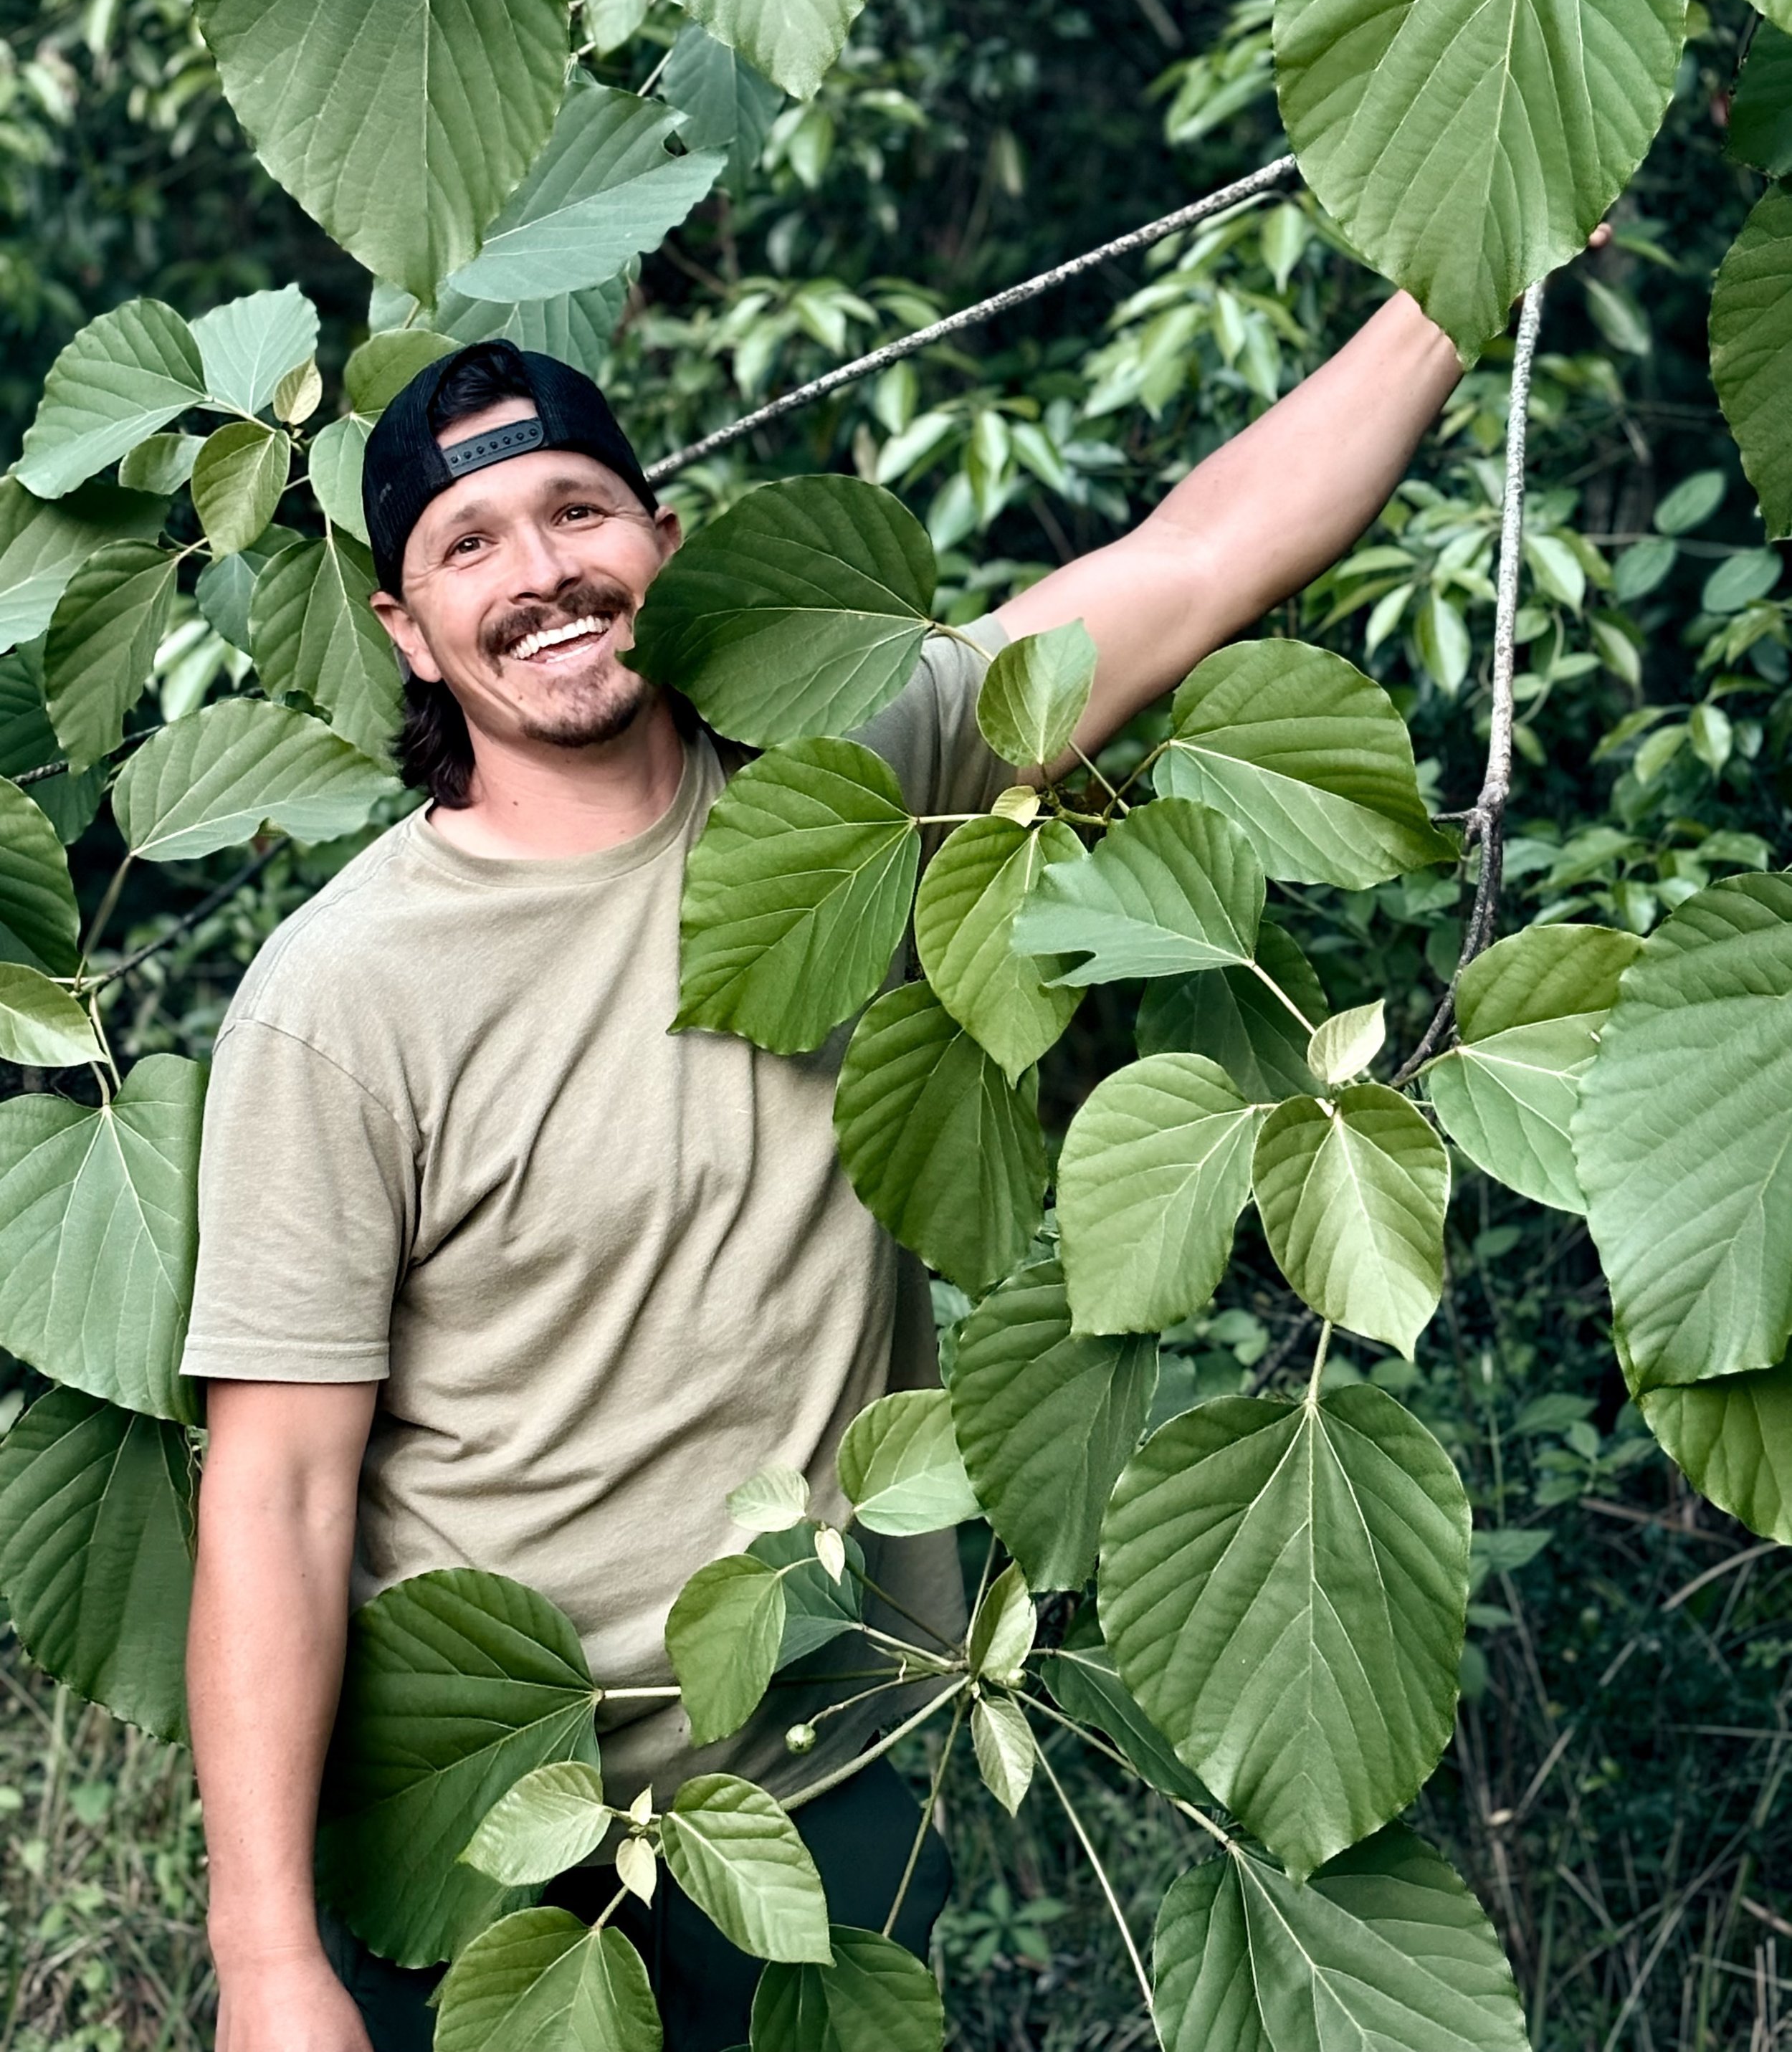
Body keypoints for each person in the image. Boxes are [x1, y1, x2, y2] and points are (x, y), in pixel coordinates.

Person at [183, 297, 1463, 2052]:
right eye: (468, 543)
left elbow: (1195, 555)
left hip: (832, 1767)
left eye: (577, 508)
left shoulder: (859, 784)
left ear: (665, 542)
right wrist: (266, 1963)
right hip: (486, 1814)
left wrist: (1456, 289)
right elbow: (275, 1496)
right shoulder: (342, 998)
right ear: (408, 631)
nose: (540, 569)